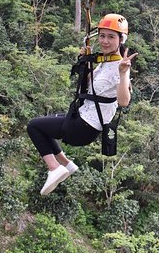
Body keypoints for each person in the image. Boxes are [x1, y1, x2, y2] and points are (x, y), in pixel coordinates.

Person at [27, 13, 138, 195]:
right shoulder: (104, 61)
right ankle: (67, 165)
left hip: (85, 127)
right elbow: (89, 85)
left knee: (34, 127)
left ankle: (55, 168)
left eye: (111, 37)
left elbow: (124, 101)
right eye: (102, 36)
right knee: (44, 124)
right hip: (81, 117)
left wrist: (124, 72)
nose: (104, 41)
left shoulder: (119, 66)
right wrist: (85, 61)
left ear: (121, 39)